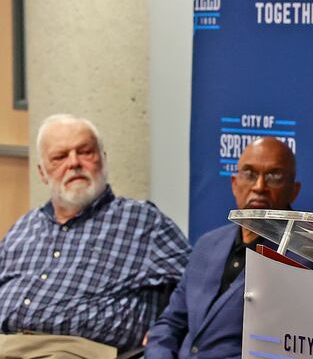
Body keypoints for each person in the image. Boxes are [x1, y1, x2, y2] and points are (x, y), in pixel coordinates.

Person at [0, 114, 190, 358]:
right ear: (42, 172)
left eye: (85, 152)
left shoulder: (143, 222)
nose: (74, 163)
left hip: (75, 350)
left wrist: (167, 330)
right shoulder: (25, 227)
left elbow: (201, 286)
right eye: (60, 157)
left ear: (103, 159)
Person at [145, 137, 301, 359]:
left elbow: (288, 350)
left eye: (274, 176)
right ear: (234, 184)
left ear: (293, 191)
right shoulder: (207, 244)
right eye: (249, 174)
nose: (259, 187)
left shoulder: (304, 260)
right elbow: (170, 322)